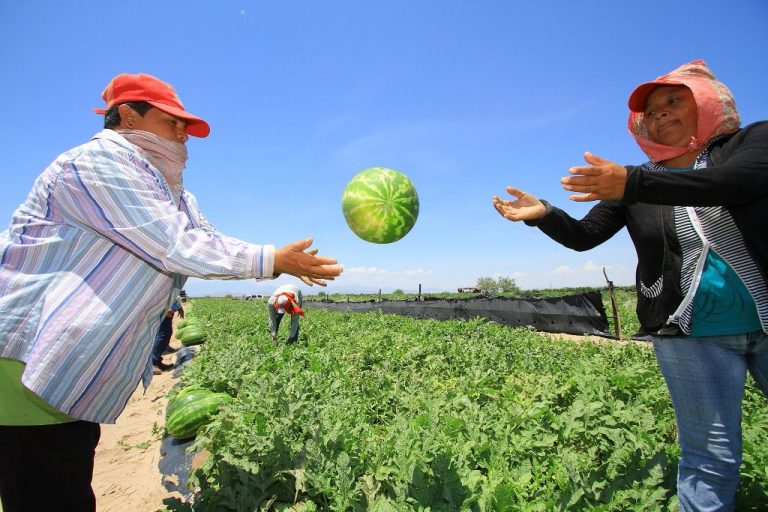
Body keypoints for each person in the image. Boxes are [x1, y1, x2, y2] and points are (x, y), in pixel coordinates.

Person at [0, 72, 343, 512]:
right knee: (49, 491)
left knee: (67, 478)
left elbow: (201, 237)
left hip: (66, 369)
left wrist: (273, 259)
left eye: (186, 125)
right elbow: (175, 245)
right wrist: (272, 260)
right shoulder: (97, 163)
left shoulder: (168, 190)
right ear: (127, 115)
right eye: (172, 121)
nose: (183, 133)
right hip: (28, 366)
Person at [493, 60, 768, 511]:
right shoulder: (632, 183)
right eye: (651, 111)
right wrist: (545, 212)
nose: (659, 114)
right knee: (711, 458)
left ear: (706, 103)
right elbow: (584, 237)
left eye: (673, 101)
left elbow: (738, 183)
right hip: (693, 335)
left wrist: (635, 181)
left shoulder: (750, 143)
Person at [150, 295, 185, 374]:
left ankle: (157, 362)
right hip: (164, 309)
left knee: (166, 333)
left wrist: (179, 307)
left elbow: (174, 294)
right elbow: (166, 294)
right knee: (163, 334)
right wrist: (169, 309)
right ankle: (153, 363)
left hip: (167, 309)